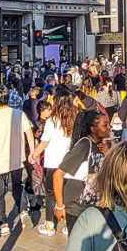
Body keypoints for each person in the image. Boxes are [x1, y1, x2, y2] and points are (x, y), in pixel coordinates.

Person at [0, 85, 35, 236]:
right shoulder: (19, 114)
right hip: (17, 159)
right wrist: (32, 151)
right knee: (17, 186)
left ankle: (2, 223)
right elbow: (29, 132)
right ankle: (23, 212)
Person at [52, 109, 112, 234]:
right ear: (93, 128)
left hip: (93, 207)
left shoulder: (99, 146)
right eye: (105, 125)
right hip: (77, 208)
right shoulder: (84, 145)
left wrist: (108, 154)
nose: (109, 128)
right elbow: (58, 174)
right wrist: (59, 206)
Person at [32, 94, 76, 236]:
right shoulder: (75, 120)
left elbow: (44, 142)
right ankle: (69, 225)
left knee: (50, 193)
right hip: (69, 162)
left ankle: (50, 224)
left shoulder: (52, 121)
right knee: (67, 194)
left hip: (52, 162)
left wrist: (34, 154)